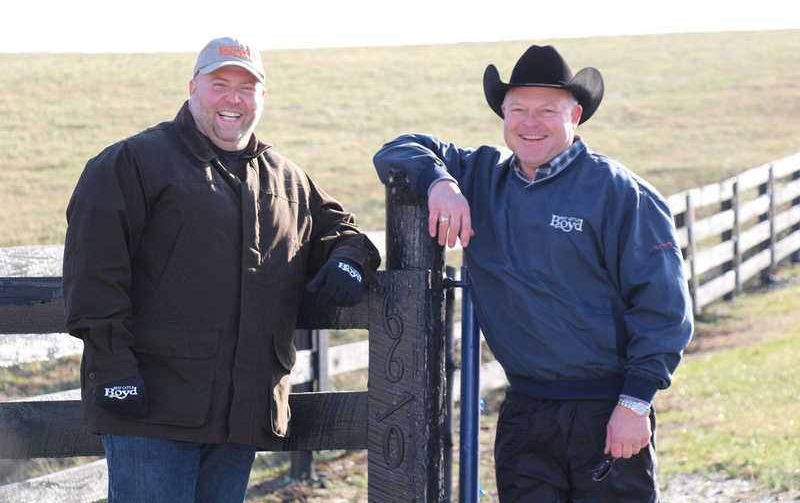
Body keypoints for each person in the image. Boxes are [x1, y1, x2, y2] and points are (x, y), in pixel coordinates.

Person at [63, 36, 381, 503]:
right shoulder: (133, 162)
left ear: (262, 98)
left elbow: (347, 234)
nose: (234, 98)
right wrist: (113, 372)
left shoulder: (287, 180)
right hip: (153, 411)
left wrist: (350, 261)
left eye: (247, 87)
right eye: (220, 83)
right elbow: (93, 272)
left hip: (241, 416)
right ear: (193, 86)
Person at [374, 44, 693, 502]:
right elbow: (397, 150)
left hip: (604, 408)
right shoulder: (481, 176)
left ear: (576, 114)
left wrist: (634, 403)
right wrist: (440, 182)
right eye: (518, 109)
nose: (530, 122)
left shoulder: (620, 193)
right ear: (502, 113)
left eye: (547, 110)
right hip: (525, 409)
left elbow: (664, 308)